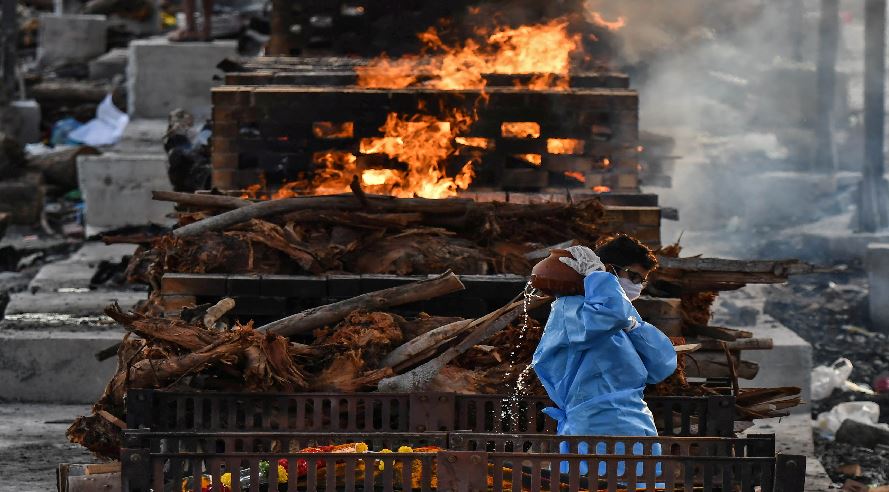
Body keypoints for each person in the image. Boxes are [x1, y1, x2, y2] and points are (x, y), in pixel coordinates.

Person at [531, 235, 677, 475]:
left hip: (631, 423)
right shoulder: (572, 308)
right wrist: (599, 277)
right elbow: (609, 315)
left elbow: (661, 365)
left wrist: (635, 327)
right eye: (635, 277)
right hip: (597, 424)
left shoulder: (620, 315)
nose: (638, 286)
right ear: (609, 270)